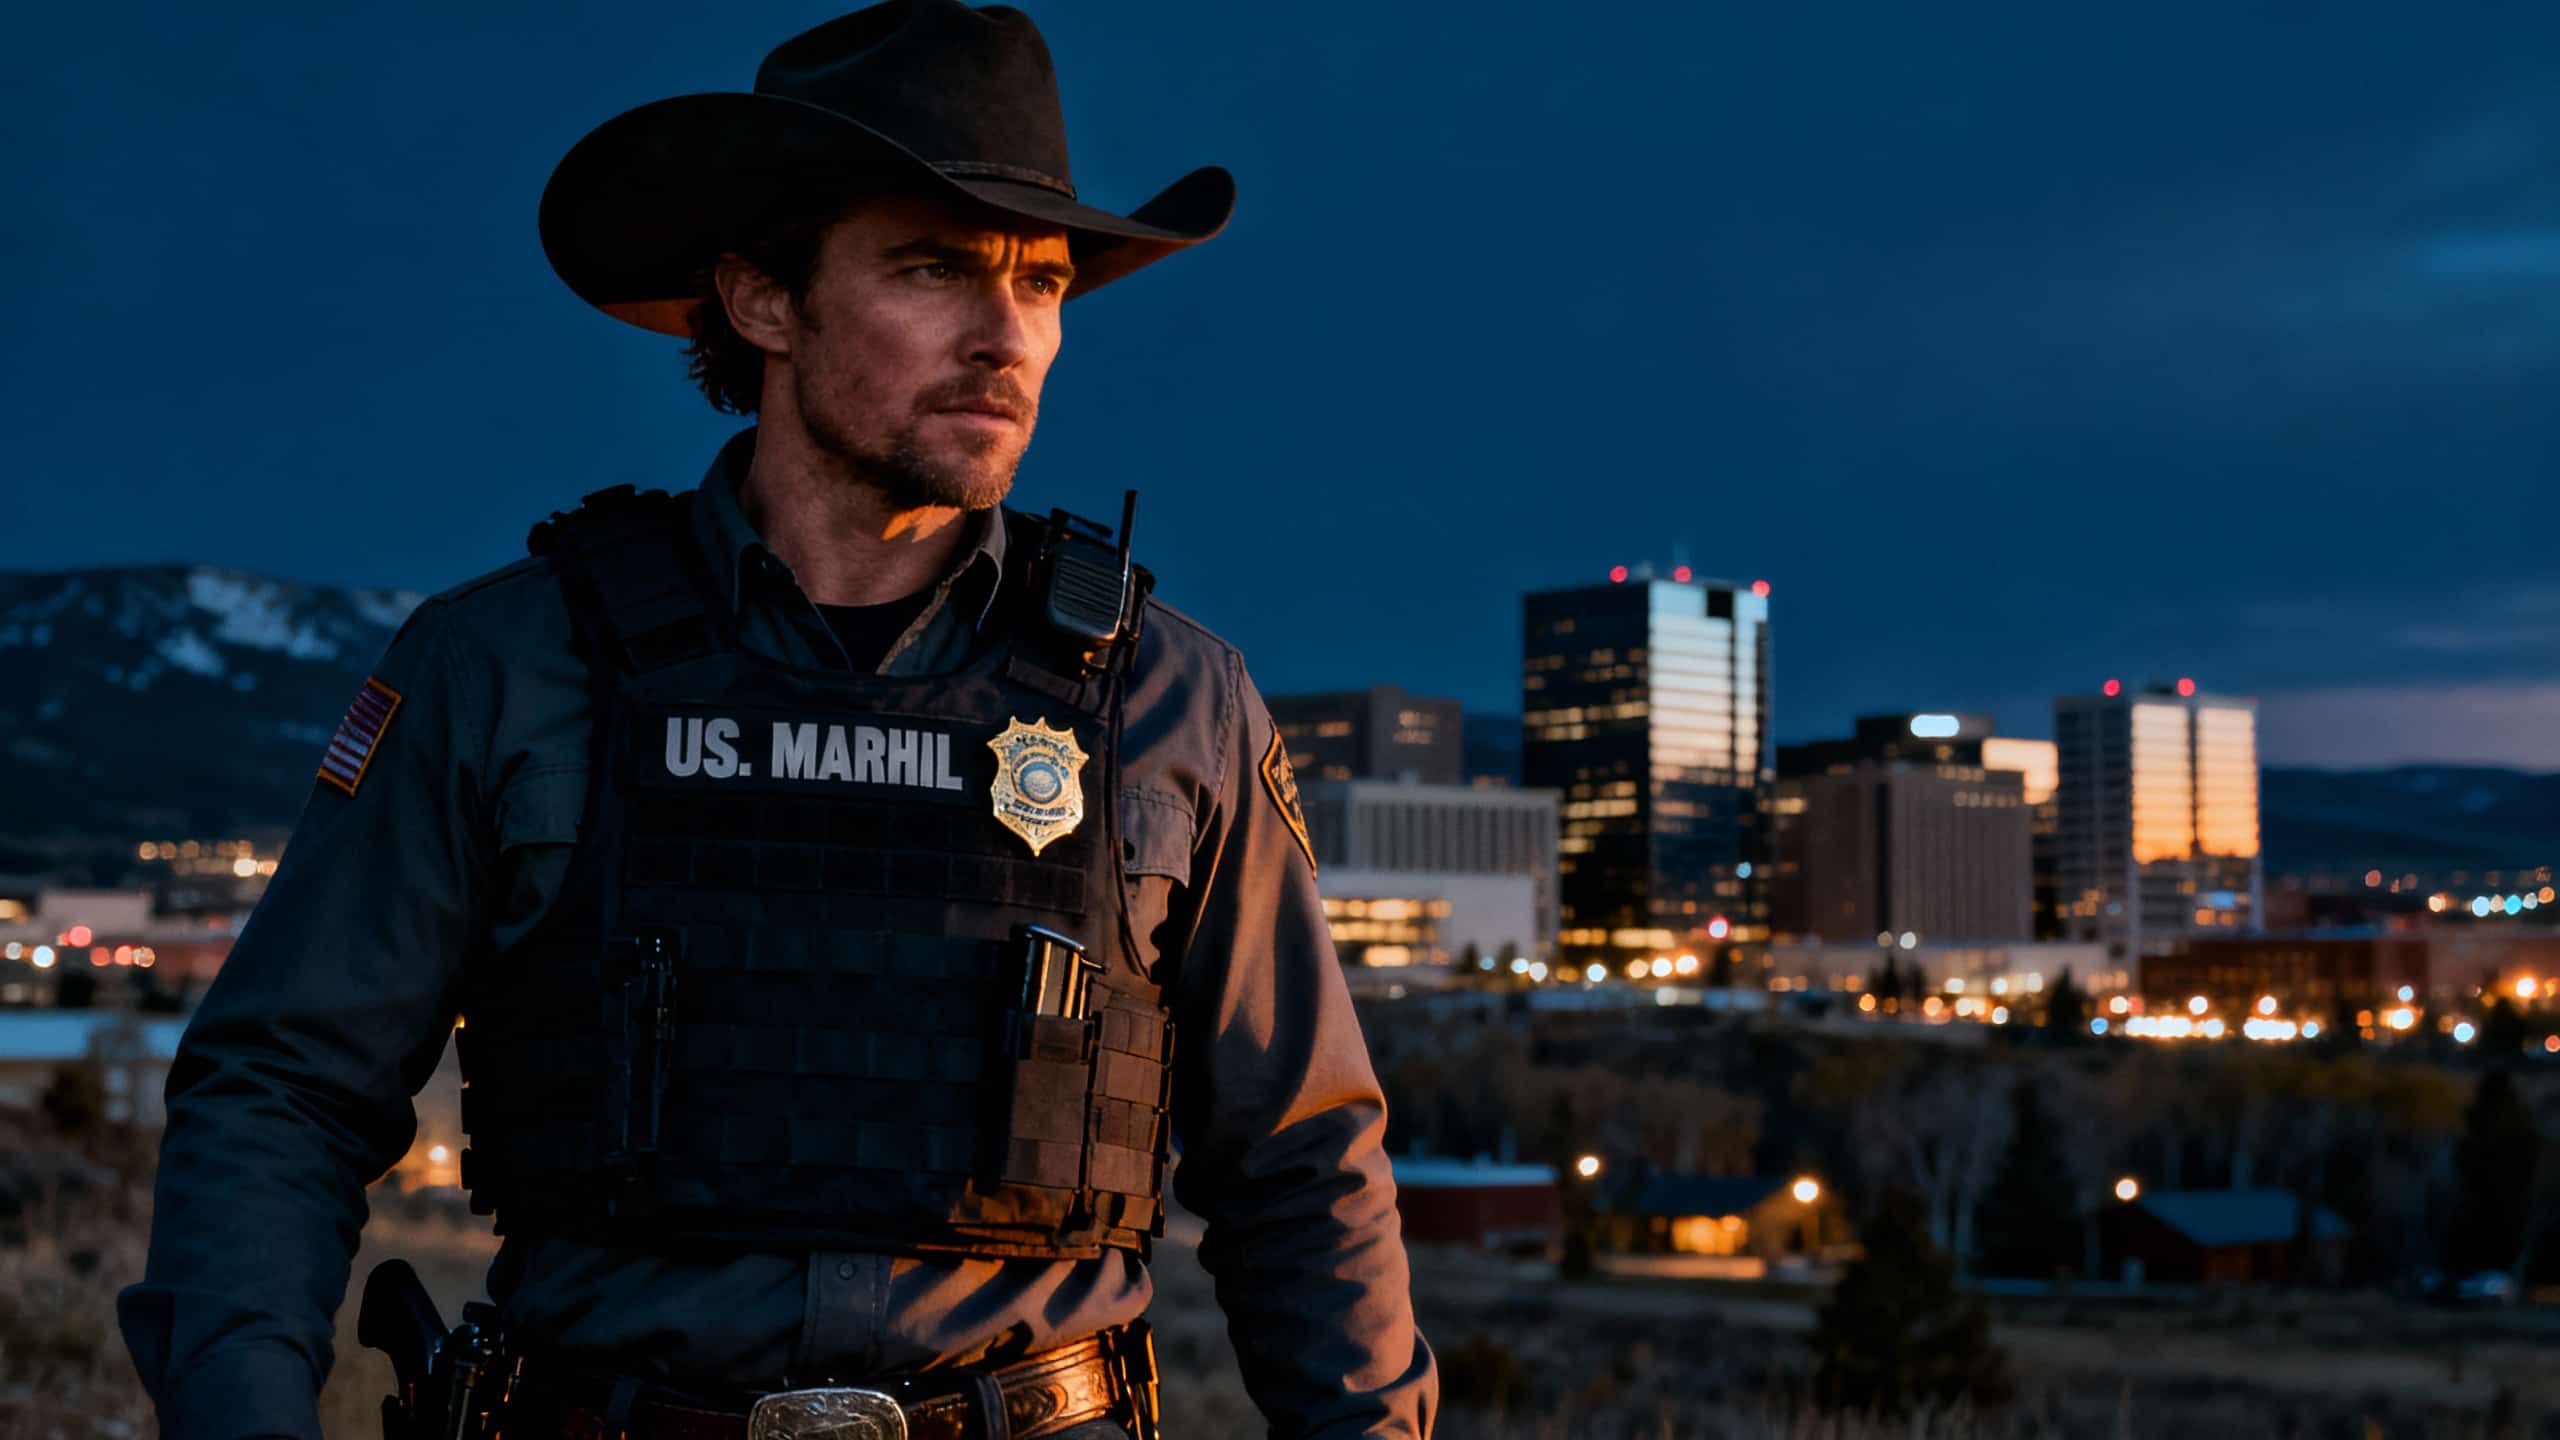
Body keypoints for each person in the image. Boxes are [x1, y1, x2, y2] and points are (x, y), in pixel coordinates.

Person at [117, 3, 1437, 1436]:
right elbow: (283, 1094)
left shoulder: (1173, 700)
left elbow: (1301, 1160)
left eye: (1042, 283)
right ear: (761, 302)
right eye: (934, 268)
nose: (1008, 338)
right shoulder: (508, 666)